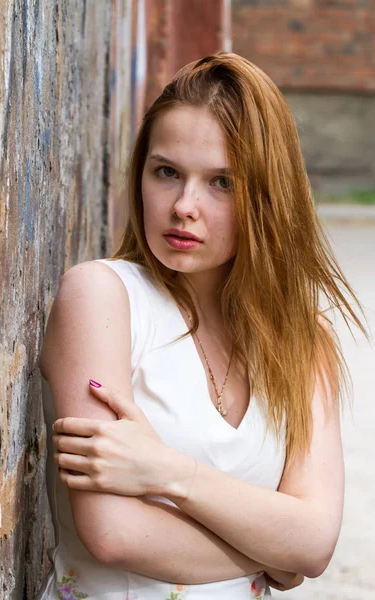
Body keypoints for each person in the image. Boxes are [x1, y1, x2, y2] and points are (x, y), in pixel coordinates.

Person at [36, 53, 366, 600]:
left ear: (266, 197)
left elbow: (316, 543)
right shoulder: (102, 298)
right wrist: (274, 550)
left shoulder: (300, 342)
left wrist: (166, 471)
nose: (184, 206)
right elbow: (114, 534)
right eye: (166, 172)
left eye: (221, 182)